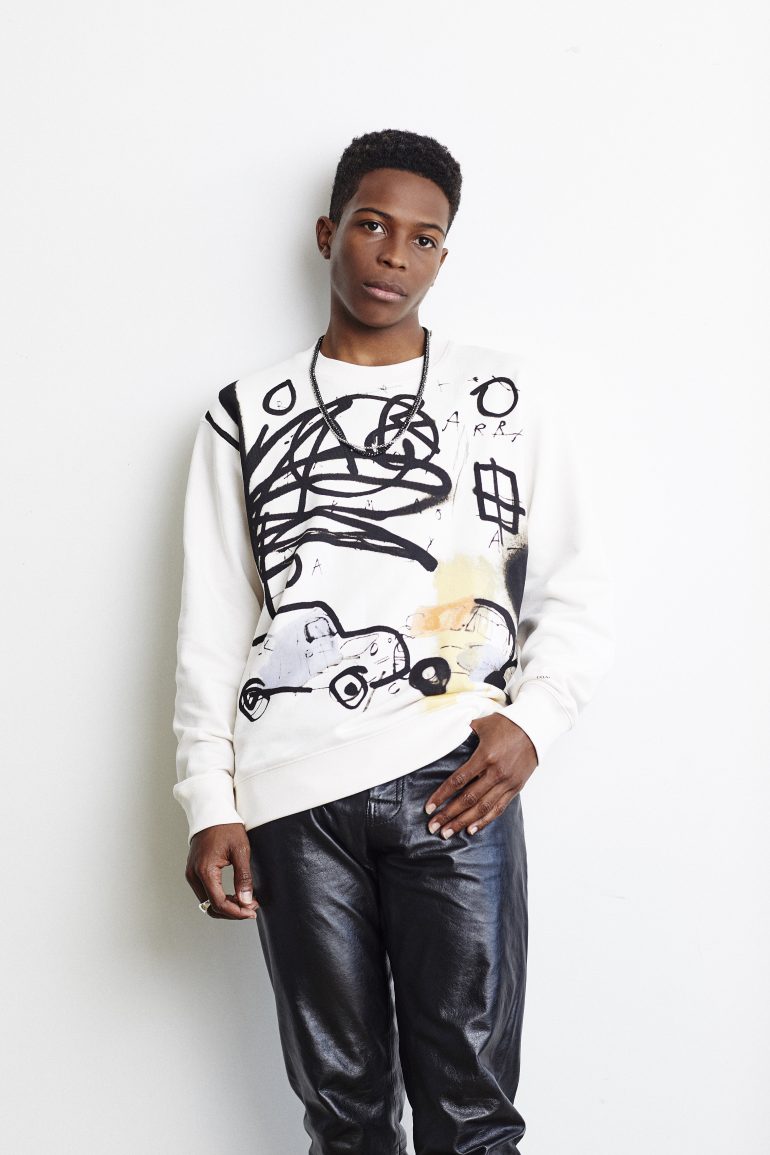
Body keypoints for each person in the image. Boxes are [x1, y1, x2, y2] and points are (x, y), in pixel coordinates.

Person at [172, 127, 615, 1154]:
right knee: (345, 1114)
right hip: (292, 797)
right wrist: (209, 798)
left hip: (454, 780)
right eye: (372, 226)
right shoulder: (243, 413)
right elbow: (214, 622)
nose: (393, 256)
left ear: (443, 257)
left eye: (423, 239)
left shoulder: (504, 396)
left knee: (472, 1112)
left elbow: (575, 586)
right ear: (328, 233)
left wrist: (532, 723)